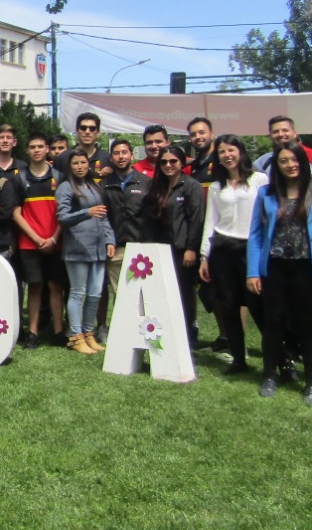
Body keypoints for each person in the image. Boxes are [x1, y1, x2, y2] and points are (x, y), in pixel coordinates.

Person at [246, 142, 312, 405]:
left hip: (308, 268)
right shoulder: (267, 193)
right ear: (276, 166)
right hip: (275, 267)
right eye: (284, 161)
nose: (290, 165)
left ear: (303, 162)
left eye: (294, 160)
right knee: (273, 323)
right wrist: (253, 271)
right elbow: (255, 234)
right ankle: (269, 376)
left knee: (309, 326)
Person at [197, 134, 268, 374]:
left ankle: (279, 360)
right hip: (223, 250)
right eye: (222, 153)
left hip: (251, 249)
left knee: (260, 307)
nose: (227, 156)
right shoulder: (217, 187)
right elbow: (211, 221)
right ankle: (239, 359)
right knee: (229, 307)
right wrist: (204, 256)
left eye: (231, 150)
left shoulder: (259, 180)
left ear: (240, 152)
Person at [142, 145, 205, 346]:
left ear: (181, 162)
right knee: (164, 293)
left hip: (183, 250)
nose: (168, 165)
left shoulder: (191, 186)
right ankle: (167, 331)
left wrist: (191, 248)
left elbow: (196, 219)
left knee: (184, 293)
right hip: (161, 249)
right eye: (164, 162)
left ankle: (187, 333)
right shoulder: (157, 186)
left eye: (173, 161)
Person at [56, 152, 114, 355]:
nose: (80, 166)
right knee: (78, 292)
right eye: (75, 163)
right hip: (77, 248)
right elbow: (62, 218)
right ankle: (75, 335)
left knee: (95, 293)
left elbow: (104, 216)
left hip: (98, 247)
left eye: (83, 163)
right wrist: (86, 213)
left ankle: (89, 333)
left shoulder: (94, 186)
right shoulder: (65, 187)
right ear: (69, 166)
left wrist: (110, 240)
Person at [13, 133, 66, 348]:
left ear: (47, 150)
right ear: (27, 150)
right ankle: (33, 333)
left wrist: (54, 238)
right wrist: (36, 239)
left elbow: (66, 211)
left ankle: (58, 331)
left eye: (40, 146)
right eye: (32, 146)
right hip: (29, 244)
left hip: (56, 242)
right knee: (34, 287)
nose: (36, 150)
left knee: (55, 286)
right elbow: (16, 213)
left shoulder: (60, 177)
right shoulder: (19, 178)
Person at [101, 138, 150, 335]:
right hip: (117, 248)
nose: (121, 157)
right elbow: (102, 217)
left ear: (132, 155)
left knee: (142, 293)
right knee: (120, 293)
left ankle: (143, 329)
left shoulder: (145, 182)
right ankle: (124, 332)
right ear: (111, 157)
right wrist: (108, 241)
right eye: (116, 153)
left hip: (142, 248)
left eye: (124, 152)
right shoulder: (104, 184)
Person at [54, 112, 110, 181]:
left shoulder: (107, 158)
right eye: (83, 128)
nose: (87, 131)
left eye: (92, 128)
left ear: (98, 133)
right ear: (77, 131)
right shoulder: (62, 159)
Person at [186, 117, 218, 185]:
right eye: (193, 135)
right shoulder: (192, 166)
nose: (197, 137)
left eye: (202, 132)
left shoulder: (221, 161)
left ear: (212, 134)